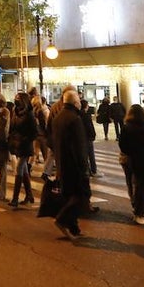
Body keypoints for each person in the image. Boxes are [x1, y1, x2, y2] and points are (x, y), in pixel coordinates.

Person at [49, 88, 89, 240]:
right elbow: (80, 146)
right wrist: (84, 167)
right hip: (74, 164)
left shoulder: (58, 117)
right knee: (80, 196)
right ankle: (61, 219)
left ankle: (74, 228)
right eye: (78, 100)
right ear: (74, 102)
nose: (80, 103)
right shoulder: (75, 119)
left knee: (69, 195)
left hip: (61, 162)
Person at [118, 103, 144, 225]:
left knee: (132, 184)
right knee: (143, 187)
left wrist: (131, 152)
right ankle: (140, 212)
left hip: (131, 159)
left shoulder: (126, 127)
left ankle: (137, 209)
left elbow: (123, 145)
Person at [7, 92, 37, 207]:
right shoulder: (15, 112)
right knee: (23, 170)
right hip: (16, 144)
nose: (16, 99)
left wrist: (24, 140)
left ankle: (15, 198)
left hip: (25, 146)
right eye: (15, 97)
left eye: (18, 98)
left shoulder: (29, 114)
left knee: (19, 169)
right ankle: (29, 195)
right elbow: (13, 128)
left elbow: (34, 133)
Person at [80, 97, 98, 175]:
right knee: (91, 154)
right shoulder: (86, 115)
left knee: (85, 155)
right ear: (86, 106)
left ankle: (87, 170)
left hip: (82, 137)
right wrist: (93, 135)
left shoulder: (78, 114)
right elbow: (89, 126)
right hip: (88, 137)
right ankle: (93, 170)